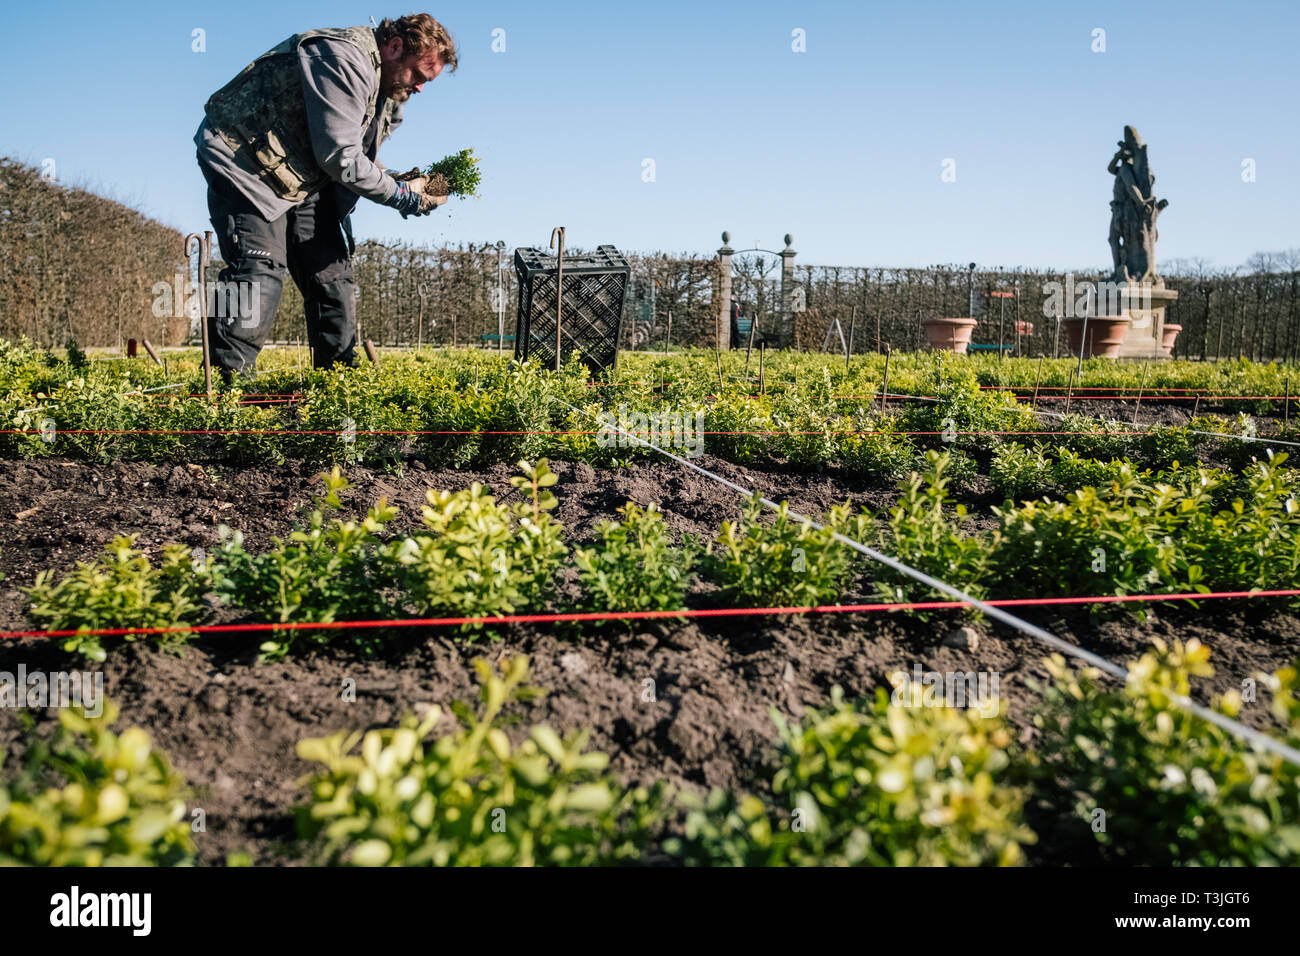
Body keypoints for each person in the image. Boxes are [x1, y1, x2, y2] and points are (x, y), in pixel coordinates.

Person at [194, 14, 458, 384]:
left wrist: (403, 181)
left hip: (301, 175)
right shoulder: (342, 58)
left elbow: (359, 158)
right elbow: (340, 158)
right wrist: (402, 197)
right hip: (246, 161)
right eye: (417, 75)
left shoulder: (389, 96)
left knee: (331, 276)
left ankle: (336, 391)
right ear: (395, 47)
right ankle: (224, 396)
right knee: (259, 272)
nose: (419, 88)